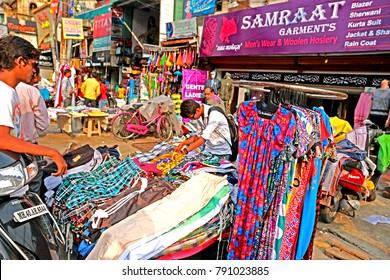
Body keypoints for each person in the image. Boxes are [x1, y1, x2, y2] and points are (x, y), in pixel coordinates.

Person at [0, 35, 67, 180]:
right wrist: (51, 152)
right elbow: (2, 139)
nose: (34, 71)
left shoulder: (10, 90)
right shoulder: (4, 92)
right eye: (33, 64)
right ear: (20, 62)